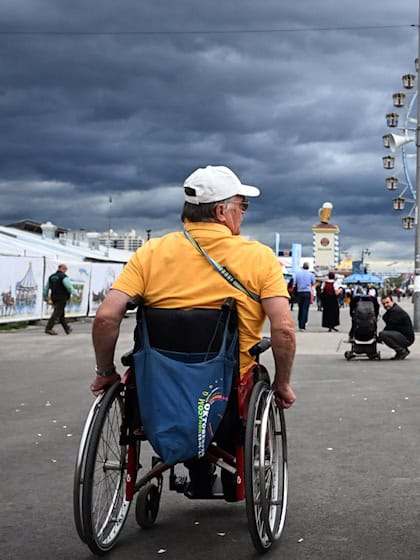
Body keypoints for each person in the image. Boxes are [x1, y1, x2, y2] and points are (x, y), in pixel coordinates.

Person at [89, 165, 297, 494]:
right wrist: (283, 383)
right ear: (221, 211)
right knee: (258, 377)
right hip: (226, 398)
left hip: (157, 393)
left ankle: (195, 470)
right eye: (241, 205)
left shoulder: (151, 253)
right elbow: (283, 329)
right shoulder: (258, 258)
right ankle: (234, 473)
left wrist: (105, 371)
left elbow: (105, 317)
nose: (243, 213)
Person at [44, 263, 80, 335]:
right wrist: (76, 293)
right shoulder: (64, 277)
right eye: (65, 269)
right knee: (56, 313)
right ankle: (48, 328)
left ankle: (67, 329)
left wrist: (45, 297)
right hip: (62, 297)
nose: (66, 271)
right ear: (62, 268)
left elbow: (46, 288)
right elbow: (69, 287)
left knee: (61, 314)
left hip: (54, 297)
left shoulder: (51, 277)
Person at [379, 294, 415, 360]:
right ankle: (401, 350)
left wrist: (379, 338)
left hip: (407, 339)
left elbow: (389, 327)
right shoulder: (392, 311)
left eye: (387, 302)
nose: (386, 305)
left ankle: (401, 351)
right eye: (383, 304)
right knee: (383, 334)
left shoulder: (396, 312)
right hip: (403, 336)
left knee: (383, 334)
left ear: (392, 302)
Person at [292, 263, 315, 331]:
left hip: (299, 293)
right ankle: (303, 325)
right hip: (307, 292)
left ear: (302, 267)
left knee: (300, 308)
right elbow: (313, 283)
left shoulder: (297, 274)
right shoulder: (311, 274)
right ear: (308, 267)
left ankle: (300, 324)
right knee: (305, 309)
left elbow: (294, 283)